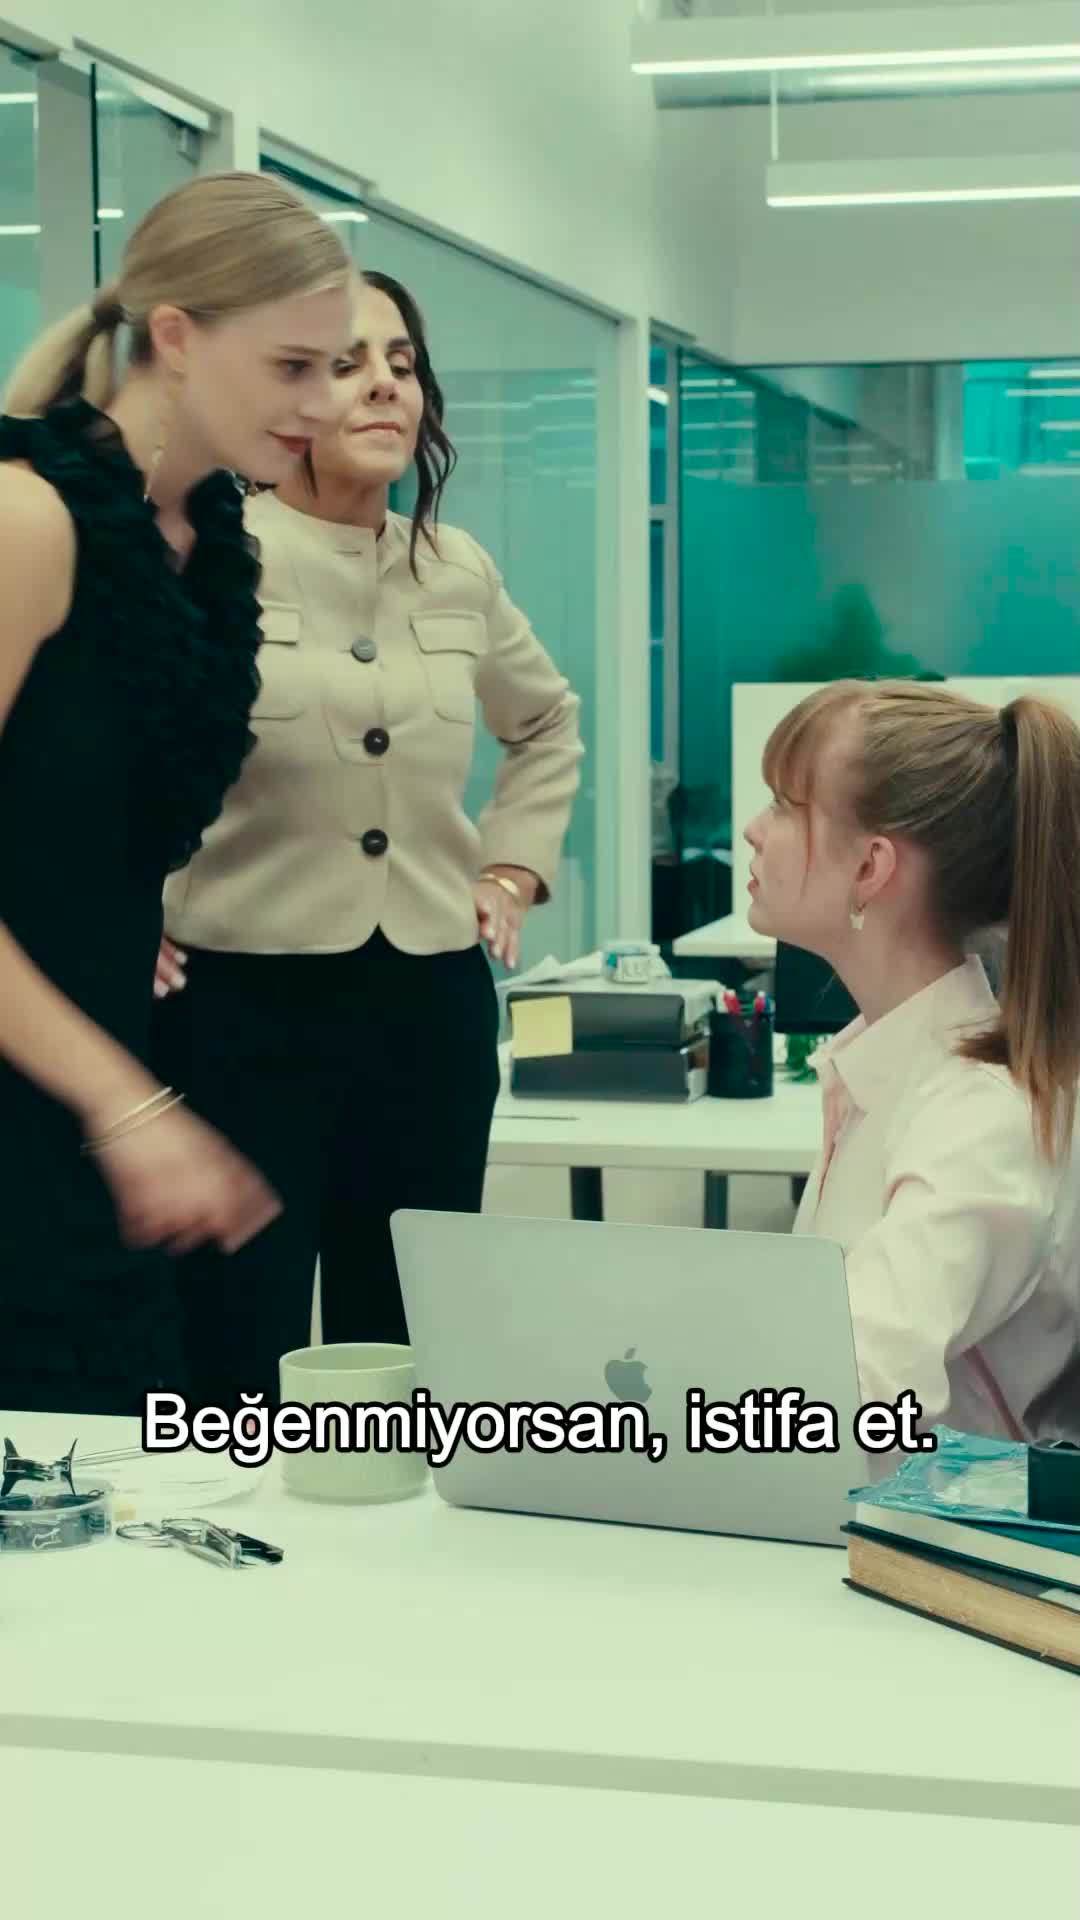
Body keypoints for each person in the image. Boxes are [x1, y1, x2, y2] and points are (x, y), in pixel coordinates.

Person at [150, 269, 583, 1412]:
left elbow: (546, 722)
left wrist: (512, 866)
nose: (387, 385)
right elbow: (101, 744)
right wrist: (122, 901)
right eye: (347, 364)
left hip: (427, 1007)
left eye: (403, 363)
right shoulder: (199, 555)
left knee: (409, 1346)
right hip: (240, 1001)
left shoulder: (457, 567)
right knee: (231, 1345)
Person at [0, 171, 358, 1415]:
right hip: (61, 1106)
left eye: (337, 367)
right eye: (294, 367)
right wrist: (125, 1106)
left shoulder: (204, 545)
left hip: (97, 1086)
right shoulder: (28, 521)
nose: (327, 403)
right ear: (176, 335)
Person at [744, 677, 1080, 1446]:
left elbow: (851, 1400)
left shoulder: (978, 1119)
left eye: (786, 806)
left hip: (931, 1519)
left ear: (870, 868)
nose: (754, 831)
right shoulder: (887, 1073)